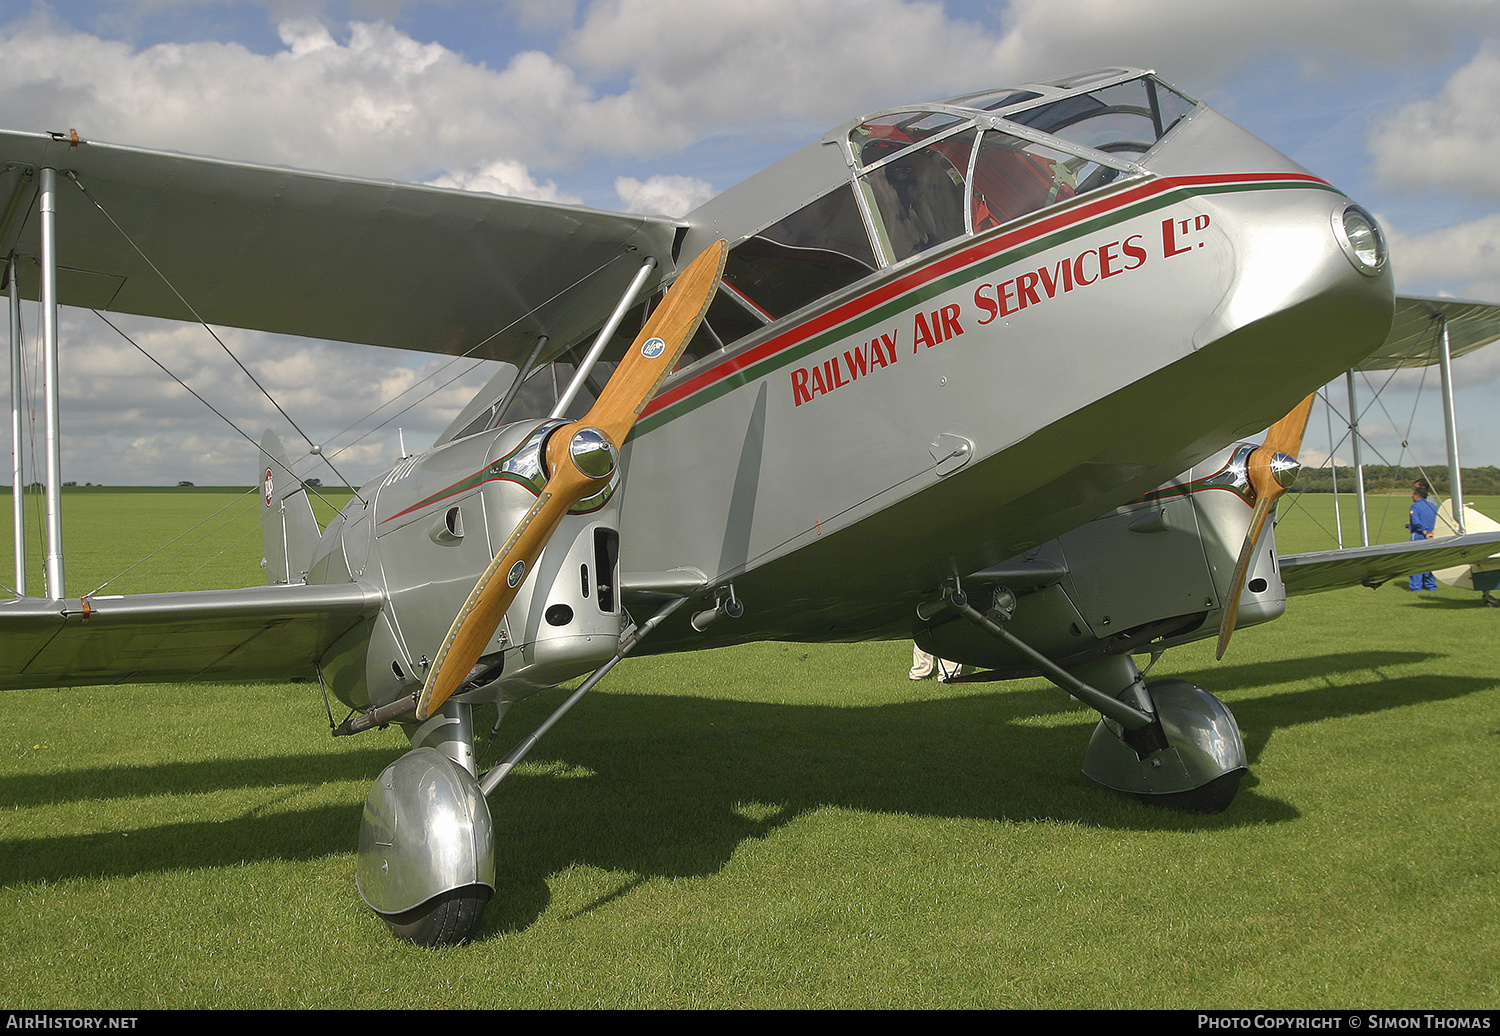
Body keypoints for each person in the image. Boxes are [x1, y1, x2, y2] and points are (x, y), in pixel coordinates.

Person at [1408, 480, 1439, 591]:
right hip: (1432, 536)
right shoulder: (1433, 507)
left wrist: (1424, 532)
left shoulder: (1415, 507)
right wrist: (1432, 532)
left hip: (1419, 536)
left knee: (1415, 561)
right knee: (1430, 560)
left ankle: (1416, 587)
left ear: (1417, 495)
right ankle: (1431, 586)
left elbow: (1416, 522)